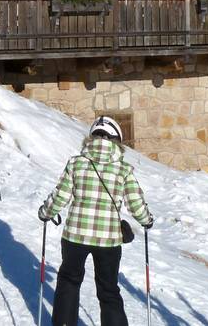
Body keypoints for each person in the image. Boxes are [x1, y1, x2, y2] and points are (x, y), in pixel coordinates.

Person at [39, 116, 153, 326]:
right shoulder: (123, 169)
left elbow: (61, 196)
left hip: (75, 235)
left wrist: (45, 213)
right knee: (108, 290)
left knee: (69, 282)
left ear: (91, 137)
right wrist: (146, 220)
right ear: (117, 140)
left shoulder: (76, 163)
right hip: (108, 240)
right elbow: (135, 203)